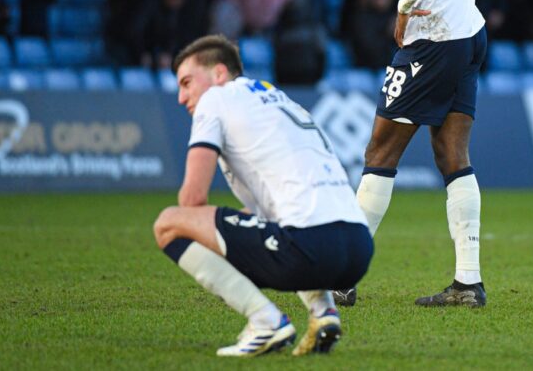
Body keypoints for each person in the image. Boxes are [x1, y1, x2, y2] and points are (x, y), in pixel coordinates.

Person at [346, 0, 515, 307]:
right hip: (470, 34)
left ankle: (341, 276)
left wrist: (403, 7)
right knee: (452, 154)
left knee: (380, 150)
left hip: (434, 38)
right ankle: (468, 283)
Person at [153, 35, 372, 357]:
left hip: (310, 246)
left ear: (218, 74)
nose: (181, 97)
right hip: (358, 249)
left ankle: (265, 322)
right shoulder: (277, 99)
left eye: (187, 82)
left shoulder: (216, 99)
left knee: (170, 222)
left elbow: (192, 199)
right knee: (276, 220)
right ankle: (324, 314)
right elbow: (263, 213)